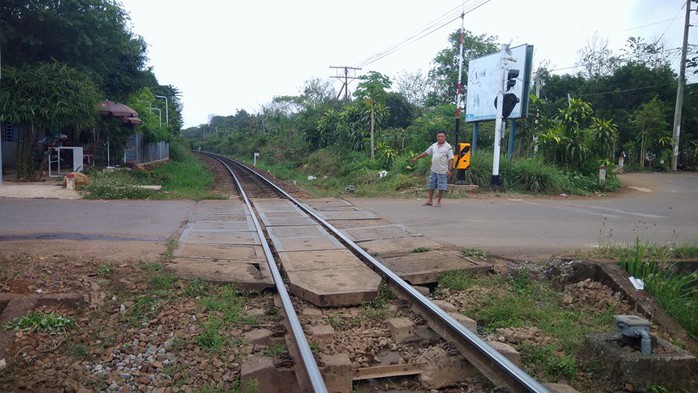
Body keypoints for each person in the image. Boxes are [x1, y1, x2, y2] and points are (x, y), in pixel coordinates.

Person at [411, 130, 454, 207]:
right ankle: (430, 201)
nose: (440, 138)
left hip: (442, 171)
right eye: (438, 136)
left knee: (441, 187)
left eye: (441, 136)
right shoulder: (434, 145)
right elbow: (426, 153)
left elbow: (451, 159)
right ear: (436, 137)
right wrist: (417, 158)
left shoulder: (448, 147)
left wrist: (450, 170)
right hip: (433, 170)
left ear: (445, 137)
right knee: (431, 185)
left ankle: (438, 201)